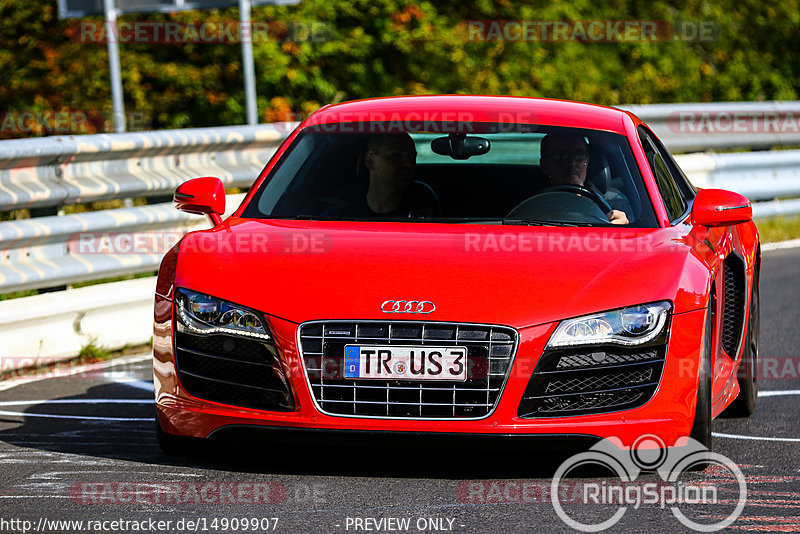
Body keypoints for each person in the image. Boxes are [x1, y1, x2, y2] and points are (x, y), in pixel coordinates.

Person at [326, 133, 439, 217]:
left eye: (411, 157)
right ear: (370, 161)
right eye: (396, 156)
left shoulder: (424, 216)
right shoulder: (340, 216)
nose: (407, 164)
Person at [539, 133, 630, 225]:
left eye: (579, 155)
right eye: (559, 156)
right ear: (544, 165)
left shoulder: (615, 202)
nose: (572, 163)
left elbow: (637, 235)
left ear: (587, 161)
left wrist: (623, 228)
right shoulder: (529, 202)